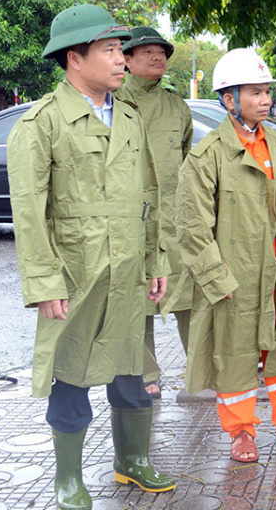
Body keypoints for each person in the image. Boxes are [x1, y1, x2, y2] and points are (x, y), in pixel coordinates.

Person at [7, 4, 174, 510]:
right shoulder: (41, 123)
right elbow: (30, 213)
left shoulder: (128, 116)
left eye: (120, 51)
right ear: (74, 58)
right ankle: (68, 479)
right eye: (109, 50)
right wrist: (44, 282)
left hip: (127, 270)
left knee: (131, 367)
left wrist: (157, 262)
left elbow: (150, 196)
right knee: (72, 372)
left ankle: (132, 461)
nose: (121, 60)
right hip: (76, 275)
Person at [175, 48, 276, 463]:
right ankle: (241, 433)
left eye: (267, 92)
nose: (265, 100)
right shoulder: (207, 155)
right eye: (255, 93)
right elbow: (192, 228)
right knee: (235, 358)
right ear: (229, 99)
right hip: (236, 280)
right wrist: (217, 280)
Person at [117, 27, 194, 398]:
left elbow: (185, 157)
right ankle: (147, 373)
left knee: (187, 295)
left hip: (173, 217)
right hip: (130, 217)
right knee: (138, 300)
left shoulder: (177, 106)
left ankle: (200, 371)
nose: (157, 57)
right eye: (146, 52)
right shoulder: (113, 102)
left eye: (161, 51)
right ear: (126, 60)